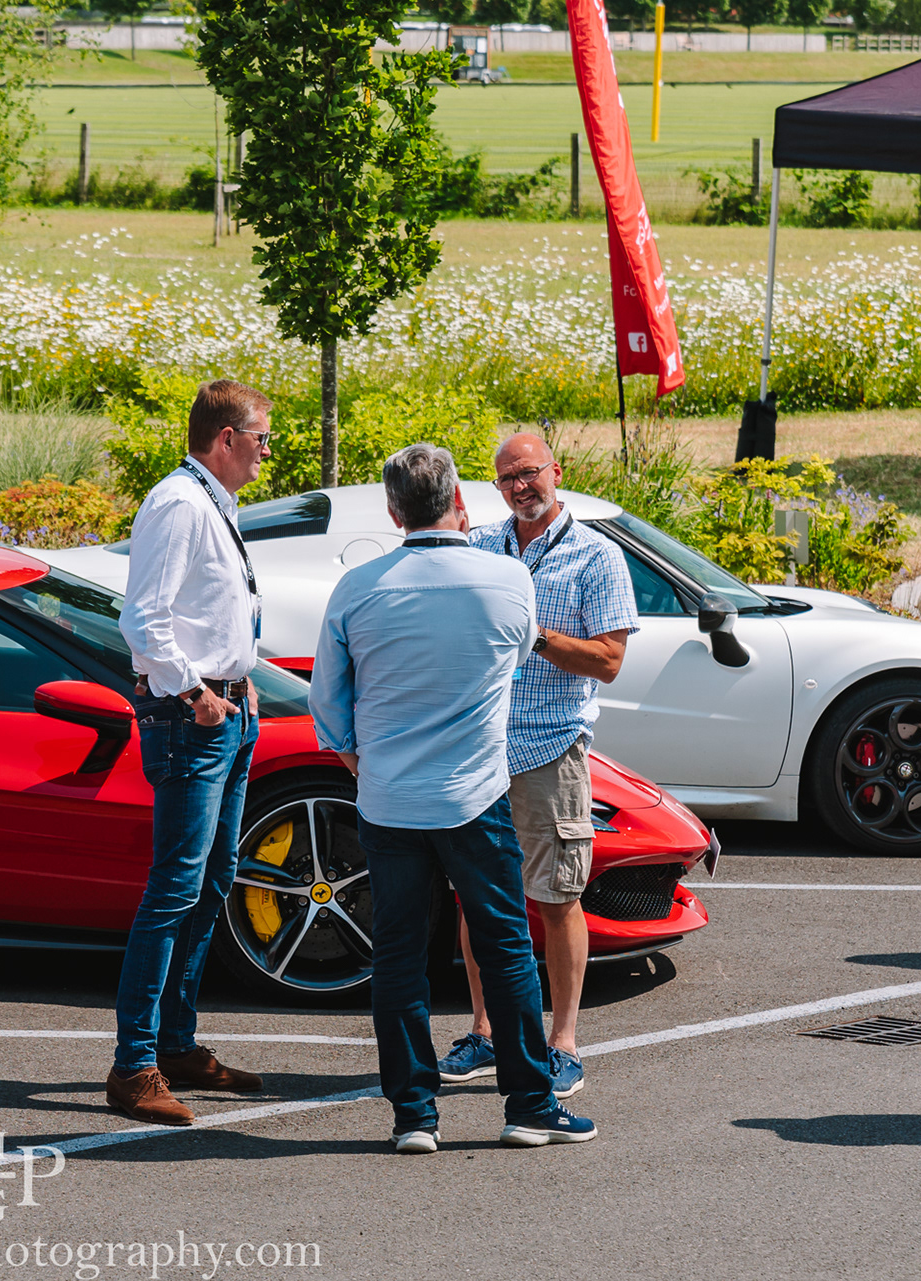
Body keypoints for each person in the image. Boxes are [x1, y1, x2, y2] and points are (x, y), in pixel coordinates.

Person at [310, 442, 595, 1152]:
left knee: (398, 957)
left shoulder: (357, 588)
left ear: (393, 511)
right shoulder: (507, 579)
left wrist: (365, 765)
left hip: (389, 798)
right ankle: (529, 1103)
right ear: (459, 502)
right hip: (475, 792)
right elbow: (518, 656)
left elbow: (328, 707)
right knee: (506, 948)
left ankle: (414, 1115)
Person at [439, 433, 639, 1100]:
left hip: (550, 748)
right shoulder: (480, 546)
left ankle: (563, 1043)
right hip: (478, 748)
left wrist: (536, 635)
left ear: (557, 471)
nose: (521, 487)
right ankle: (485, 1031)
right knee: (475, 896)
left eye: (529, 473)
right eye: (508, 478)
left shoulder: (596, 555)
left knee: (557, 898)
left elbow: (609, 660)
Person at [108, 378, 273, 1126]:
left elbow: (211, 608)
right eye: (261, 438)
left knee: (211, 883)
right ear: (226, 438)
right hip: (192, 716)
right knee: (175, 888)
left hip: (226, 708)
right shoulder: (179, 503)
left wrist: (239, 680)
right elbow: (142, 619)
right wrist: (196, 692)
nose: (267, 452)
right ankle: (134, 1065)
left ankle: (175, 1045)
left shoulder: (213, 500)